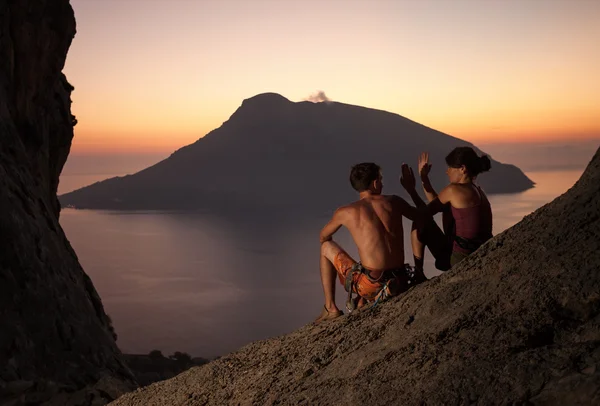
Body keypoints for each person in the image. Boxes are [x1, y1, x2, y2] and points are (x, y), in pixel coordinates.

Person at [315, 162, 426, 323]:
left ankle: (331, 308)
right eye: (380, 179)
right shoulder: (394, 201)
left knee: (326, 247)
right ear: (375, 183)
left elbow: (323, 237)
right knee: (417, 221)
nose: (381, 183)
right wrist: (412, 188)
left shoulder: (346, 212)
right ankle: (416, 273)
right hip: (401, 279)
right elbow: (422, 217)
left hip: (370, 286)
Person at [401, 147, 493, 275]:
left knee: (418, 223)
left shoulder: (454, 189)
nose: (447, 171)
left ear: (462, 168)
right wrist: (424, 179)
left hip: (459, 258)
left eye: (450, 167)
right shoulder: (477, 190)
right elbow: (439, 203)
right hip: (478, 251)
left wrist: (411, 190)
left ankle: (418, 274)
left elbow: (422, 214)